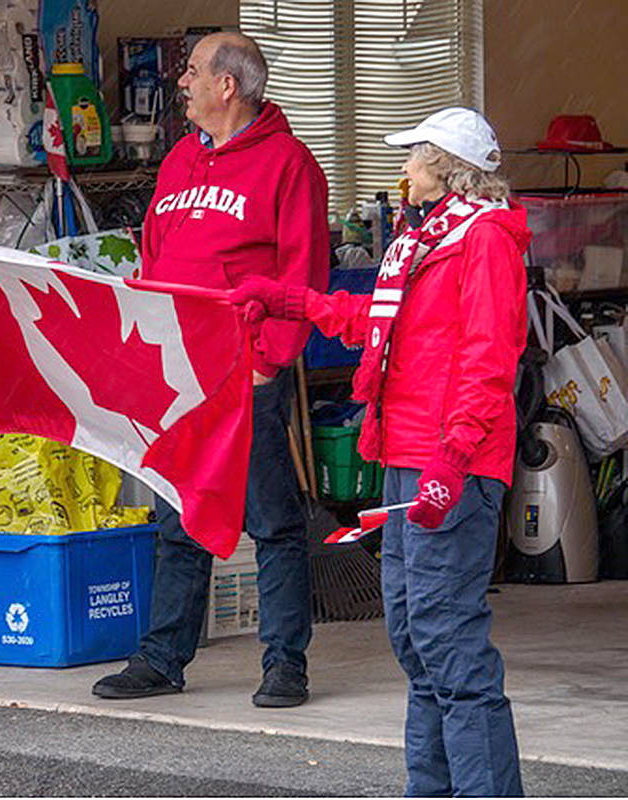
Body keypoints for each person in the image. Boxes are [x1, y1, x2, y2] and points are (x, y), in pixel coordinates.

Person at [230, 107, 527, 796]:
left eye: (412, 159)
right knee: (418, 642)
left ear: (445, 168)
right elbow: (375, 323)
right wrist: (288, 301)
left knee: (446, 642)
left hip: (448, 466)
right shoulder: (425, 243)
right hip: (406, 459)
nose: (403, 171)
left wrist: (452, 462)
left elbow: (489, 360)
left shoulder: (481, 243)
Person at [92, 32, 329, 707]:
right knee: (178, 518)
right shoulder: (176, 165)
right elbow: (153, 261)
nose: (182, 83)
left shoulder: (289, 165)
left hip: (245, 372)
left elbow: (305, 273)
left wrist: (267, 362)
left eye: (193, 72)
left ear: (229, 85)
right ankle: (163, 658)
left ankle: (286, 664)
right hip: (179, 374)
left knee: (272, 519)